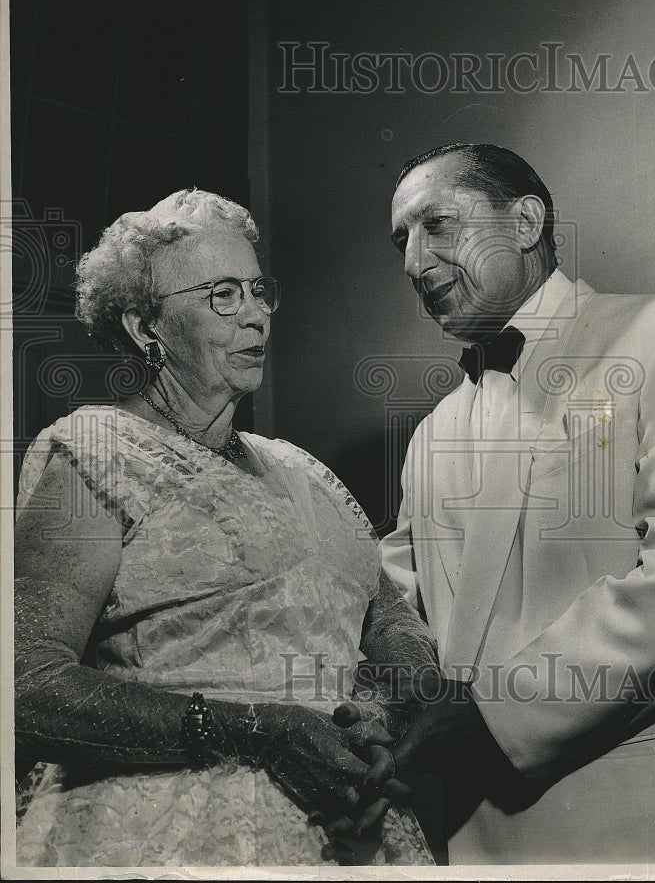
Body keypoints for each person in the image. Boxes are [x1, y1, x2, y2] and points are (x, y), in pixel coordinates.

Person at [14, 188, 438, 868]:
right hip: (170, 837)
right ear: (142, 326)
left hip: (351, 832)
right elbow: (25, 685)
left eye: (258, 290)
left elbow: (392, 622)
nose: (257, 316)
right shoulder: (95, 451)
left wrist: (387, 716)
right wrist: (252, 730)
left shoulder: (301, 470)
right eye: (222, 295)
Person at [377, 143, 655, 864]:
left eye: (437, 226)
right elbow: (391, 607)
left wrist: (492, 718)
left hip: (643, 812)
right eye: (402, 241)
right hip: (467, 837)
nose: (414, 262)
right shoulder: (430, 433)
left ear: (526, 222)